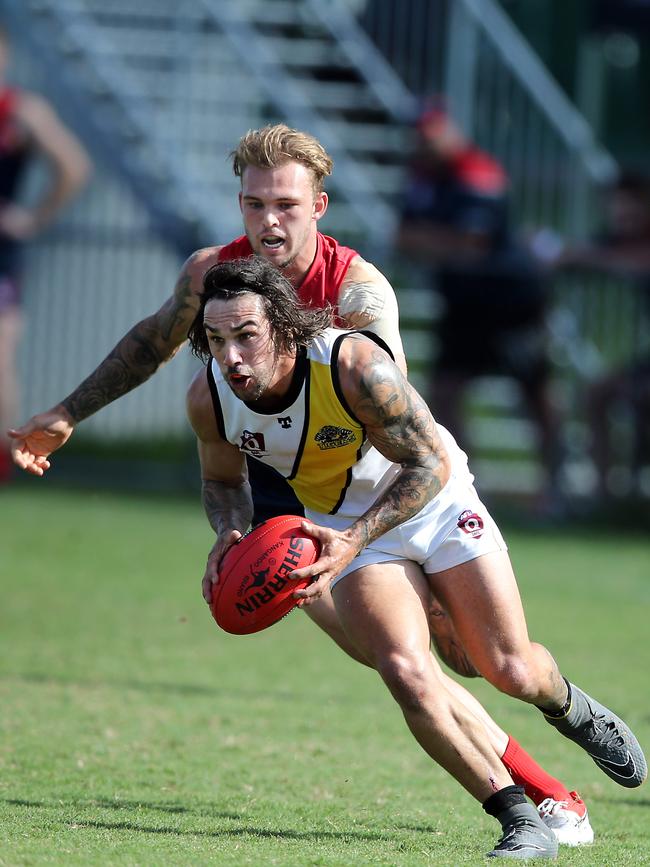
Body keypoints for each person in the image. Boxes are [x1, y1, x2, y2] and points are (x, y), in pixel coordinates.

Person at [7, 124, 598, 844]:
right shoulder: (213, 277)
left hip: (379, 483)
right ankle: (544, 799)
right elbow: (154, 341)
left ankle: (554, 762)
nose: (268, 221)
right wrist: (67, 413)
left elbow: (395, 419)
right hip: (289, 495)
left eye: (285, 204)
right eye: (254, 205)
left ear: (320, 205)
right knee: (396, 660)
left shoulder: (360, 294)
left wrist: (378, 537)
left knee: (472, 658)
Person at [185, 256, 645, 854]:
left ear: (284, 326)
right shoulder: (211, 398)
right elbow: (223, 484)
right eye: (216, 340)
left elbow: (428, 465)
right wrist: (228, 531)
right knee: (404, 668)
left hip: (435, 499)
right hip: (342, 528)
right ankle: (520, 820)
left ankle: (567, 706)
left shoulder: (354, 367)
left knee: (500, 667)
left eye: (246, 336)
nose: (232, 357)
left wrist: (357, 534)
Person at [396, 104, 563, 512]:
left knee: (535, 392)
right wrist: (436, 241)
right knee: (444, 394)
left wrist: (428, 239)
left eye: (431, 134)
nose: (424, 144)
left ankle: (557, 491)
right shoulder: (422, 178)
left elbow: (471, 246)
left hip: (510, 300)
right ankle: (463, 487)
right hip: (464, 303)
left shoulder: (477, 171)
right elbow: (404, 238)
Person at [0, 27, 90, 483]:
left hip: (1, 255)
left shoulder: (21, 112)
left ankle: (3, 459)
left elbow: (73, 165)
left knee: (0, 352)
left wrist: (32, 218)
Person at [556, 171, 650, 500]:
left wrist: (598, 260)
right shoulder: (614, 240)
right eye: (617, 208)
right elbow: (570, 255)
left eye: (631, 208)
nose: (622, 216)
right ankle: (607, 496)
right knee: (597, 395)